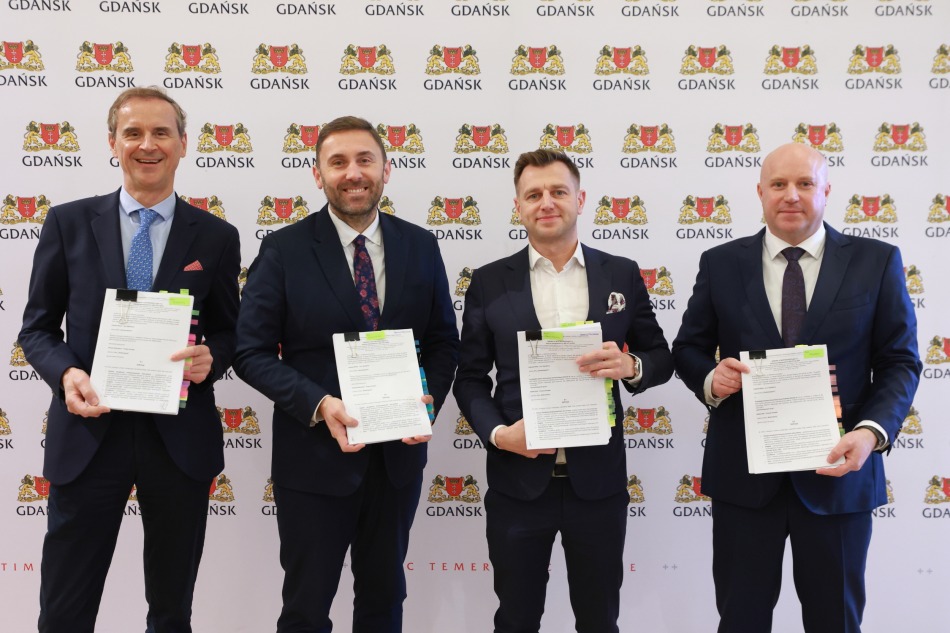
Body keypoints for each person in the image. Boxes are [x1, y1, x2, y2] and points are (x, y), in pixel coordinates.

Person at [672, 143, 921, 633]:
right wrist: (710, 378)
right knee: (741, 621)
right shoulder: (720, 263)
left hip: (838, 477)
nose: (791, 195)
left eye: (805, 184)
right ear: (760, 192)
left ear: (826, 191)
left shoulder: (876, 261)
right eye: (779, 184)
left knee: (836, 622)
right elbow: (688, 348)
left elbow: (900, 361)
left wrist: (870, 432)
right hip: (744, 480)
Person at [18, 86, 241, 633]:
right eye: (133, 132)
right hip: (88, 436)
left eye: (161, 132)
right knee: (64, 611)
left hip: (179, 441)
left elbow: (232, 331)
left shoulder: (216, 236)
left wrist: (212, 356)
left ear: (183, 143)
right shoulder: (68, 223)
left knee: (171, 611)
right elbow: (37, 329)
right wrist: (67, 373)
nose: (148, 144)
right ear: (112, 143)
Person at [233, 116, 459, 633]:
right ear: (318, 175)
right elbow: (250, 352)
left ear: (386, 169)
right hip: (313, 461)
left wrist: (426, 402)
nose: (353, 173)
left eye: (364, 160)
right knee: (306, 608)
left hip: (397, 461)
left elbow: (445, 342)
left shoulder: (421, 245)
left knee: (384, 601)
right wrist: (319, 404)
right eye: (337, 162)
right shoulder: (284, 250)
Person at [453, 149, 673, 633]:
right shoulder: (488, 282)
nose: (546, 202)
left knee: (599, 621)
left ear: (581, 199)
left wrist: (631, 365)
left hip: (598, 486)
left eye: (558, 191)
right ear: (518, 207)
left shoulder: (621, 272)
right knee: (515, 620)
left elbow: (661, 356)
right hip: (517, 483)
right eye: (533, 194)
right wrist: (499, 435)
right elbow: (469, 378)